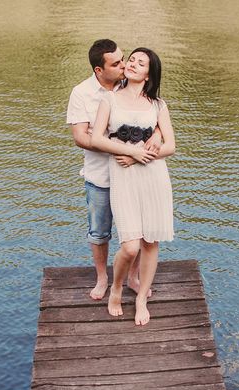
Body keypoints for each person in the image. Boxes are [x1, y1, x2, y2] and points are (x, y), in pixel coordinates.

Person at [67, 39, 162, 300]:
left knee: (136, 233)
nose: (124, 65)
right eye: (117, 63)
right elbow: (81, 138)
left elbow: (150, 115)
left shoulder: (129, 82)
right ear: (99, 70)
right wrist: (125, 149)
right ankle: (102, 278)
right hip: (100, 175)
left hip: (132, 174)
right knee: (99, 231)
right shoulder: (81, 93)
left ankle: (132, 276)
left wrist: (156, 134)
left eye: (124, 59)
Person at [89, 47, 176, 325]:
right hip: (123, 176)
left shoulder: (158, 105)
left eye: (141, 63)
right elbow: (97, 139)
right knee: (130, 246)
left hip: (153, 176)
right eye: (133, 60)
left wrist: (142, 155)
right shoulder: (109, 99)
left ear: (150, 74)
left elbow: (171, 147)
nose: (133, 64)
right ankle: (116, 288)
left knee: (151, 241)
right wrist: (130, 152)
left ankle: (140, 300)